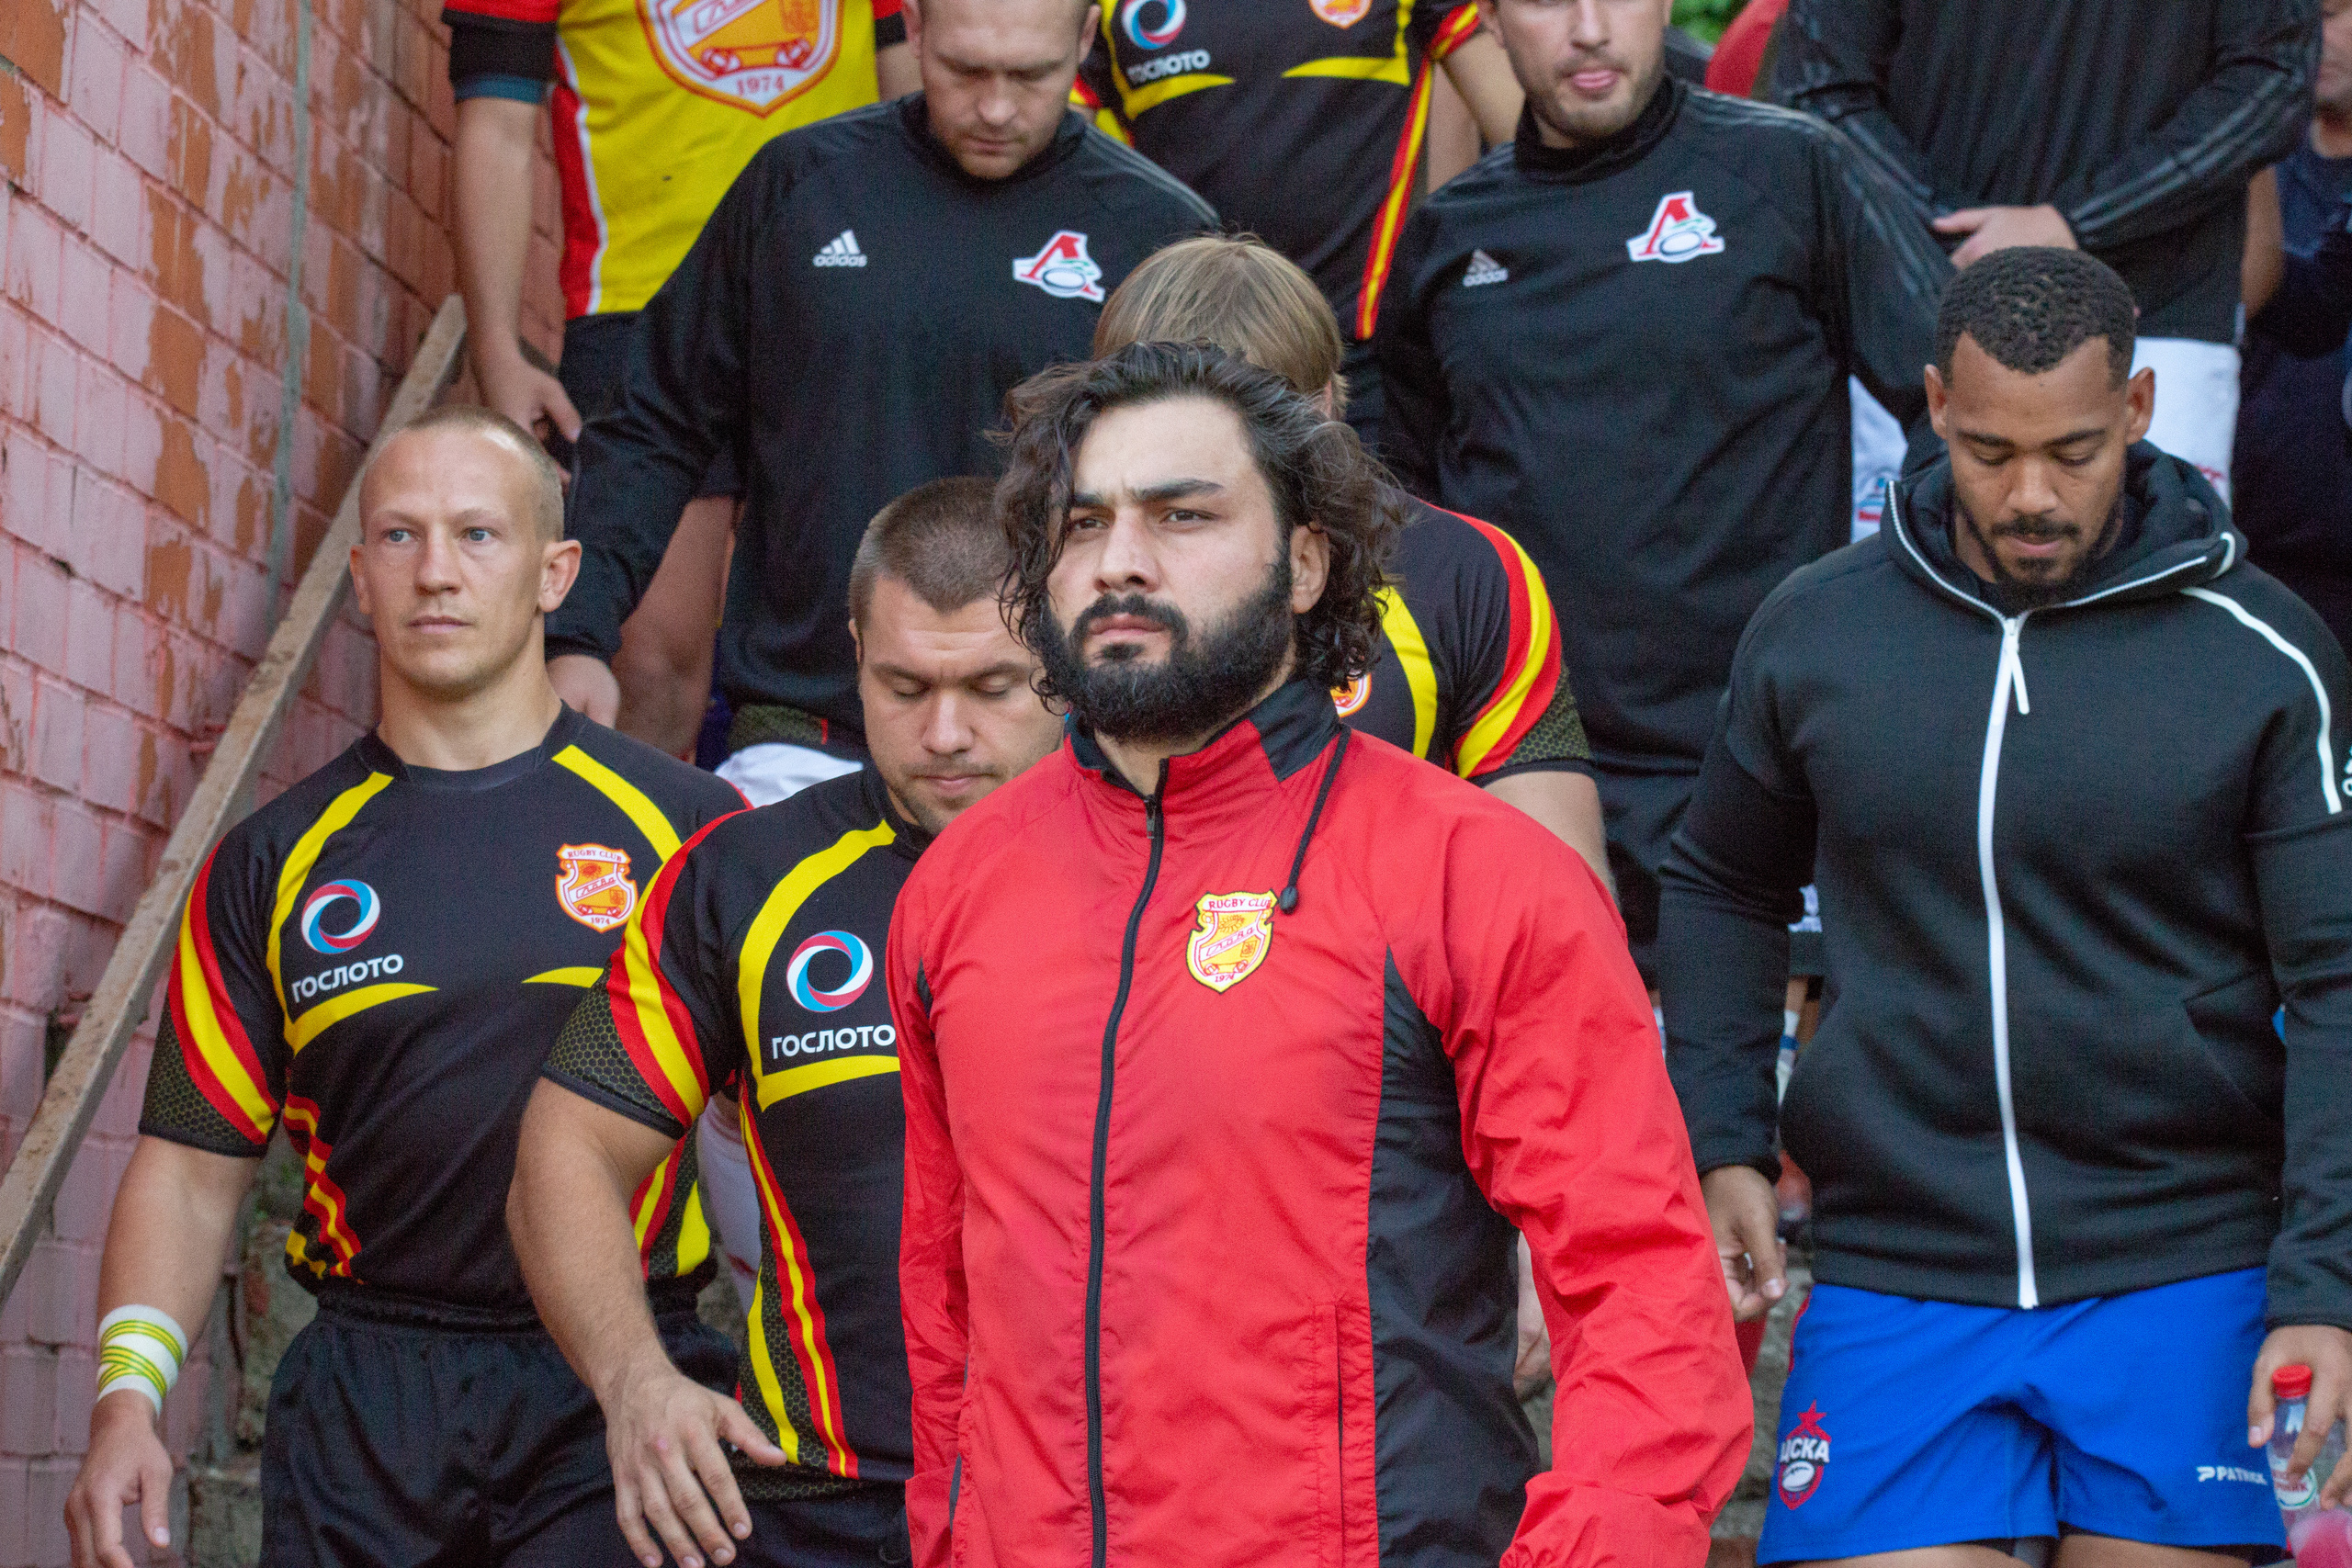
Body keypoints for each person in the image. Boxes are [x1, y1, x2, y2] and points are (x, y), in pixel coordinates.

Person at [889, 343, 1749, 1567]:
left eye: (1182, 515)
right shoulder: (959, 885)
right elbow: (944, 1306)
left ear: (1305, 562)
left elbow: (1642, 1284)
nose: (1121, 558)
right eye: (1083, 522)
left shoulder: (1470, 871)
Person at [1658, 247, 2352, 1564]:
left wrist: (2328, 1282)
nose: (2031, 494)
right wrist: (1722, 1137)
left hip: (2183, 1262)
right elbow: (1722, 879)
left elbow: (2339, 980)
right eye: (1987, 451)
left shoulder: (2264, 655)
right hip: (1897, 1263)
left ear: (2138, 408)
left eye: (2073, 451)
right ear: (1933, 405)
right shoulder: (1816, 630)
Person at [61, 408, 745, 1568]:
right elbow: (187, 1171)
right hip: (368, 1407)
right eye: (399, 536)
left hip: (622, 1382)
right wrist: (127, 1402)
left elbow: (793, 1131)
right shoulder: (271, 862)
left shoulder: (691, 833)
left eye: (478, 534)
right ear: (360, 579)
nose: (435, 571)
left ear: (554, 573)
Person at [506, 479, 1065, 1568]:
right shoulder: (745, 879)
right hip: (817, 1501)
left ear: (1061, 658)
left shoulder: (1163, 871)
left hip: (1096, 1506)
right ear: (853, 652)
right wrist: (635, 1380)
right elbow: (566, 1147)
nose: (945, 734)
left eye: (992, 687)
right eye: (903, 686)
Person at [1376, 0, 1948, 974]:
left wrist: (1888, 635)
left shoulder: (1789, 169)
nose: (1589, 27)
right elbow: (1407, 508)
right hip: (1532, 772)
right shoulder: (1446, 236)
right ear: (1491, 22)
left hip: (1762, 766)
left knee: (1753, 1072)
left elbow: (1952, 404)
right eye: (1547, 0)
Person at [545, 0, 1214, 806]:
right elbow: (657, 420)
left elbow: (1212, 498)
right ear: (915, 29)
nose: (995, 107)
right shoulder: (799, 187)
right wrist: (574, 634)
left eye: (1031, 76)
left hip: (1064, 755)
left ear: (1083, 42)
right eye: (965, 70)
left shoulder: (1158, 233)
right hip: (807, 737)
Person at [445, 0, 919, 756]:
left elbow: (913, 90)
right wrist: (497, 351)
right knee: (647, 671)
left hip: (840, 301)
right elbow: (497, 126)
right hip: (636, 307)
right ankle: (621, 838)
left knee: (869, 644)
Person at [1091, 233, 1608, 881]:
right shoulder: (1059, 570)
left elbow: (1559, 891)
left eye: (1260, 422)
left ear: (1328, 404)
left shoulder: (1463, 570)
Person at [1772, 0, 2318, 502]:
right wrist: (1964, 232)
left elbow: (2274, 81)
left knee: (2151, 573)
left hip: (2156, 319)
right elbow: (1818, 85)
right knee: (1910, 570)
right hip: (1915, 321)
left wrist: (2075, 221)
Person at [1071, 1, 1523, 450]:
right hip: (1177, 368)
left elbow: (1525, 140)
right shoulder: (1101, 13)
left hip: (1363, 367)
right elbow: (1050, 161)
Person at [2236, 0, 2352, 656]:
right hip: (2251, 556)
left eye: (2333, 13)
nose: (2313, 35)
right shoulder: (2257, 167)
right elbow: (2308, 309)